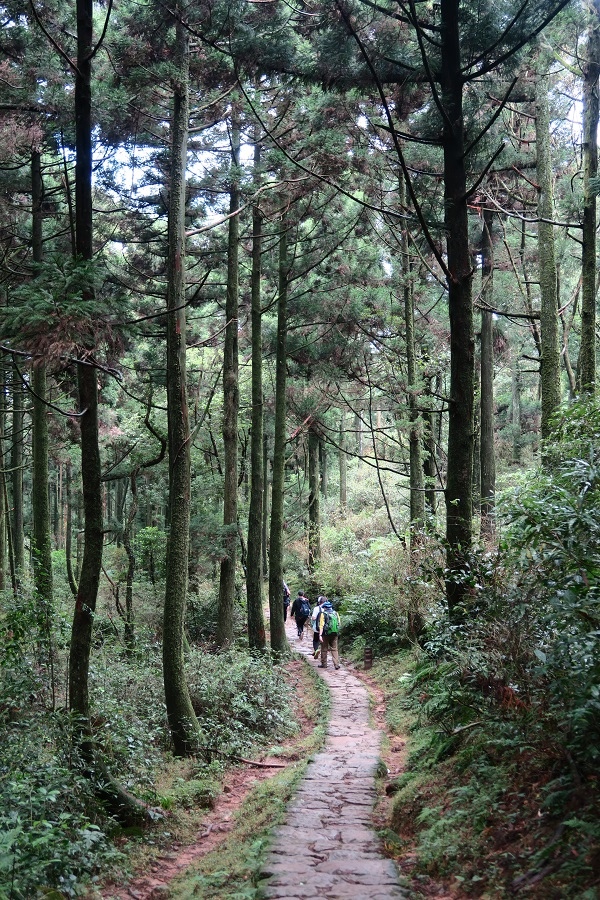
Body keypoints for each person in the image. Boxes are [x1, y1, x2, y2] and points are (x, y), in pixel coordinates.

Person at [316, 598, 341, 670]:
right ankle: (336, 664)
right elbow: (339, 623)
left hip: (325, 634)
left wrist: (320, 635)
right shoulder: (336, 613)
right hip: (334, 634)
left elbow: (321, 625)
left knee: (324, 649)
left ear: (324, 608)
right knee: (334, 649)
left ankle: (324, 664)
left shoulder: (323, 614)